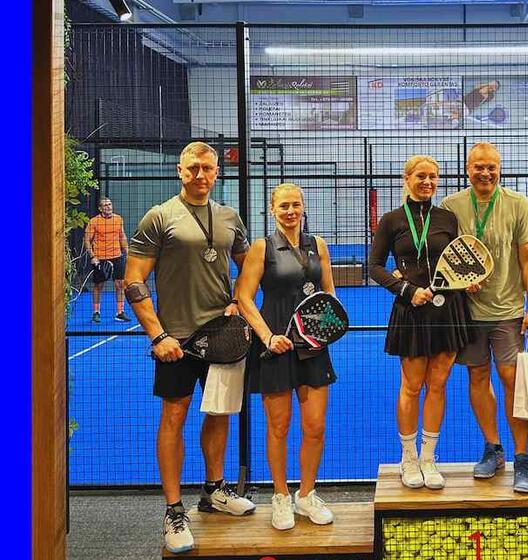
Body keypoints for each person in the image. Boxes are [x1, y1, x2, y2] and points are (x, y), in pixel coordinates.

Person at [124, 142, 255, 554]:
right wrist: (157, 336)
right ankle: (173, 510)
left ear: (217, 172)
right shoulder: (159, 216)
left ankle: (214, 491)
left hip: (223, 335)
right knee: (174, 416)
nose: (200, 175)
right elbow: (133, 281)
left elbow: (249, 267)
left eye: (208, 168)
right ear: (180, 171)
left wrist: (238, 301)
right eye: (193, 168)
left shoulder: (230, 218)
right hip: (176, 341)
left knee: (219, 413)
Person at [441, 142, 528, 493]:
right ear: (467, 169)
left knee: (512, 379)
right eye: (478, 167)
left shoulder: (518, 204)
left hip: (508, 311)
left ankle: (523, 458)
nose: (485, 173)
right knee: (478, 375)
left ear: (499, 169)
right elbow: (446, 257)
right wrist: (459, 281)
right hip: (467, 313)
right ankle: (493, 448)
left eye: (491, 167)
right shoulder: (451, 206)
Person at [369, 155, 474, 490]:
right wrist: (406, 290)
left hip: (448, 310)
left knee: (438, 385)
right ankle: (409, 458)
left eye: (433, 177)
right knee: (412, 387)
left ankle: (429, 458)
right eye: (421, 176)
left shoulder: (448, 218)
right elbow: (374, 267)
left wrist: (468, 280)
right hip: (411, 310)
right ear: (407, 179)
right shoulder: (391, 220)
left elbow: (458, 259)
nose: (427, 182)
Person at [236, 183, 338, 530]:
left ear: (303, 207)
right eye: (284, 206)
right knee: (278, 426)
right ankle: (280, 496)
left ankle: (306, 495)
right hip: (276, 346)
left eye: (296, 205)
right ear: (272, 210)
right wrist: (268, 337)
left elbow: (328, 293)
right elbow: (244, 297)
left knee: (315, 426)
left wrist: (325, 328)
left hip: (313, 346)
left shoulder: (318, 245)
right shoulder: (261, 248)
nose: (291, 211)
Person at [84, 197, 131, 322]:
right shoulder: (94, 221)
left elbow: (122, 236)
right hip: (100, 258)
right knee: (99, 285)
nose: (108, 207)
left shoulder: (118, 219)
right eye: (105, 205)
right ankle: (96, 312)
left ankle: (120, 312)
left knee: (120, 284)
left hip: (117, 256)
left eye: (109, 204)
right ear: (100, 208)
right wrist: (93, 256)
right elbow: (87, 240)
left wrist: (127, 252)